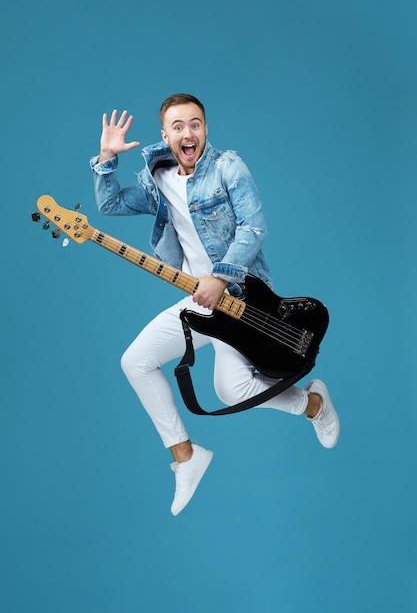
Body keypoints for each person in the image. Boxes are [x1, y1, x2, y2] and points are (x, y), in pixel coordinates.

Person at [90, 93, 340, 516]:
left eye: (195, 124)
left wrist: (221, 276)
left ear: (205, 129)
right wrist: (106, 157)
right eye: (178, 126)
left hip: (241, 297)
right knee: (135, 362)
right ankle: (186, 456)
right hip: (198, 299)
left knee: (230, 387)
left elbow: (254, 225)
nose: (188, 132)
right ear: (165, 135)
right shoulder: (160, 179)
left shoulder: (228, 167)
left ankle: (314, 403)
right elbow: (109, 204)